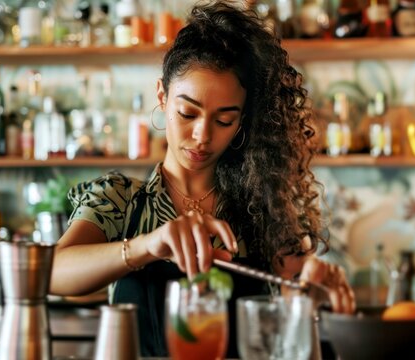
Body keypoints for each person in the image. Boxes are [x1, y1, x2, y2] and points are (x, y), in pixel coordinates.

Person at [50, 1, 355, 357]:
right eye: (187, 112)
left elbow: (291, 333)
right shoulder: (119, 199)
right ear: (162, 96)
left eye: (224, 120)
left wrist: (309, 301)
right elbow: (54, 273)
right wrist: (147, 245)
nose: (202, 136)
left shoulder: (264, 205)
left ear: (242, 121)